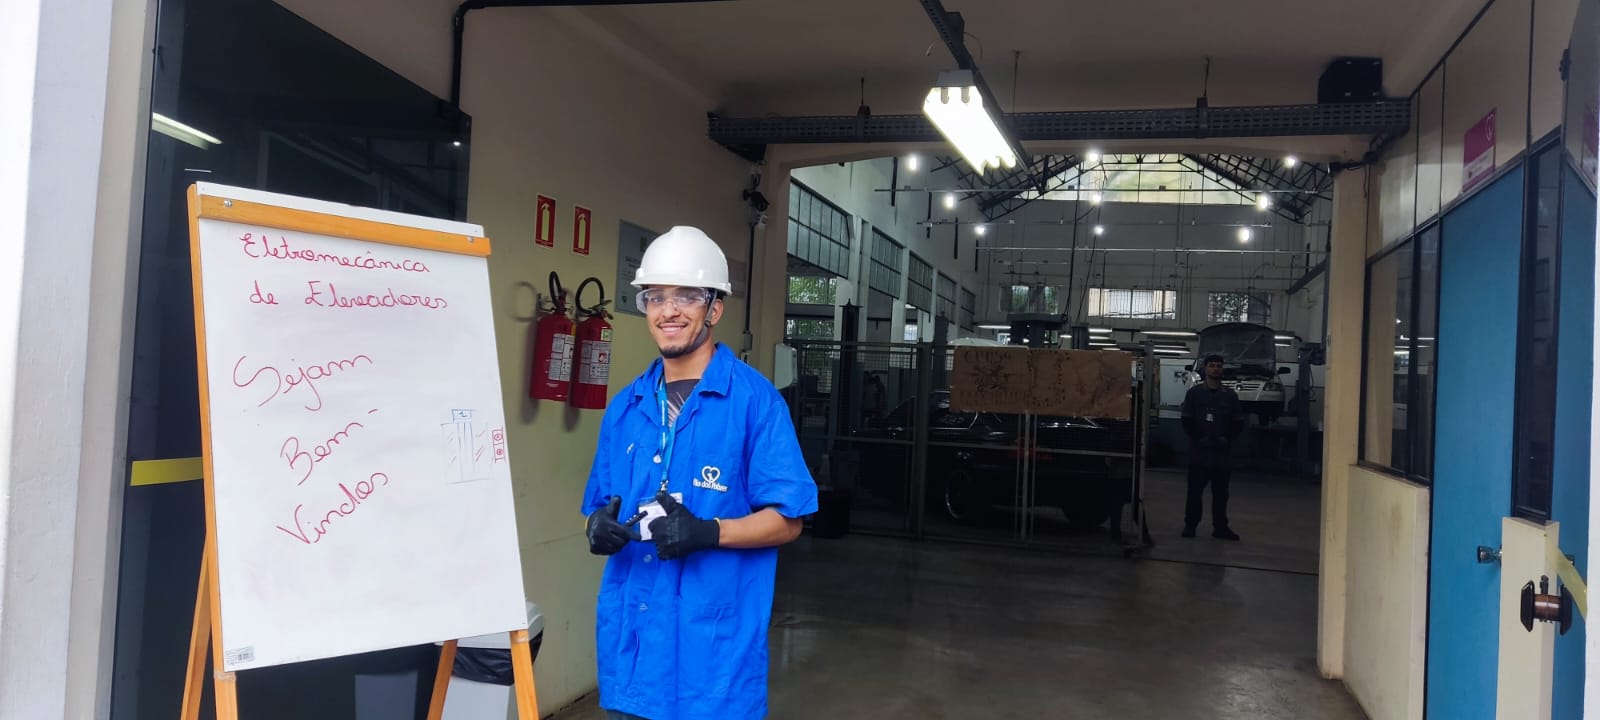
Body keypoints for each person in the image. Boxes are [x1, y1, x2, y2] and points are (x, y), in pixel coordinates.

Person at [581, 226, 819, 720]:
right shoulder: (625, 407)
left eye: (686, 296)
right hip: (632, 655)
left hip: (713, 667)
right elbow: (600, 503)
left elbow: (789, 519)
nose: (668, 310)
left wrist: (710, 532)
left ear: (715, 308)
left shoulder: (755, 403)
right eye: (656, 296)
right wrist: (596, 526)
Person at [1181, 353, 1243, 541]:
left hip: (1222, 455)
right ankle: (1190, 526)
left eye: (1218, 365)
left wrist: (1227, 438)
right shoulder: (1194, 394)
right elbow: (1187, 420)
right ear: (1205, 368)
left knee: (1221, 494)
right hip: (1199, 454)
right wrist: (1199, 438)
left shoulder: (1230, 396)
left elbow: (1238, 422)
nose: (1215, 369)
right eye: (1212, 365)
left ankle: (1220, 528)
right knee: (1194, 493)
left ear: (1222, 369)